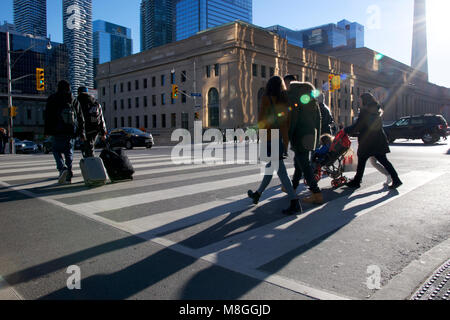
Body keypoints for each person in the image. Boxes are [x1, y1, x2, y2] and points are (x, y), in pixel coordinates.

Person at [247, 76, 302, 215]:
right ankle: (258, 194)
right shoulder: (285, 100)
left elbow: (261, 120)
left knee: (280, 171)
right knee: (270, 168)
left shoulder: (266, 99)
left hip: (270, 137)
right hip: (282, 137)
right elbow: (288, 122)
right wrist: (285, 139)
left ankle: (294, 201)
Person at [344, 93, 402, 189]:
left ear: (364, 101)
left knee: (362, 159)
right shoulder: (376, 109)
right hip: (378, 139)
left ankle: (357, 181)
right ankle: (396, 179)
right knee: (383, 161)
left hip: (368, 141)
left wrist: (346, 130)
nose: (359, 102)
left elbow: (359, 125)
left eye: (360, 100)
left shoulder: (365, 111)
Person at [288, 81, 324, 204]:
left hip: (299, 135)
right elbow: (319, 120)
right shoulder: (313, 101)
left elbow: (293, 119)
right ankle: (292, 187)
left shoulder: (295, 99)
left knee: (304, 164)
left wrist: (287, 136)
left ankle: (316, 192)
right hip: (310, 135)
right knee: (300, 162)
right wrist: (317, 137)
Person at [44, 80, 85, 184]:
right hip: (71, 130)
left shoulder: (52, 98)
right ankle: (69, 175)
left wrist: (47, 131)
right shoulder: (73, 100)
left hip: (57, 130)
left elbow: (47, 116)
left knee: (56, 150)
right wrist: (81, 133)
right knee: (69, 153)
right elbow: (80, 117)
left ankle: (62, 168)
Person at [77, 86, 107, 158]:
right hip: (95, 129)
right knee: (90, 146)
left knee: (87, 148)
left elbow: (77, 118)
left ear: (78, 93)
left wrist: (80, 132)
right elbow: (101, 118)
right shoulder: (95, 102)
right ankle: (91, 161)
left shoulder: (78, 102)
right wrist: (103, 133)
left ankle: (91, 164)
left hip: (85, 129)